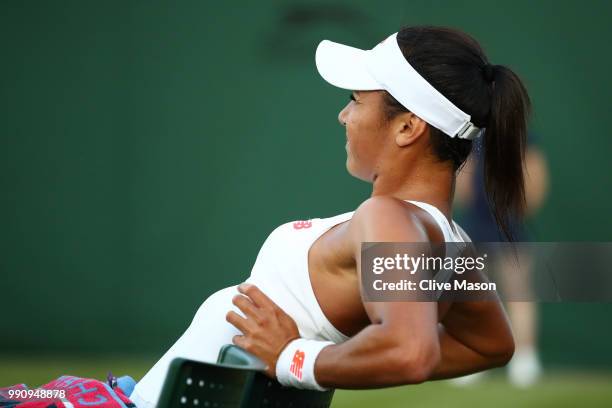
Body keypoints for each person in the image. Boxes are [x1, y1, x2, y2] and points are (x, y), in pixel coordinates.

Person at [129, 25, 531, 407]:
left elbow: (412, 351)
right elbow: (489, 345)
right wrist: (315, 357)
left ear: (408, 126)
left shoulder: (388, 217)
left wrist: (294, 359)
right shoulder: (448, 242)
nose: (343, 115)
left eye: (355, 99)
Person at [453, 133, 549, 387]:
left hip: (509, 224)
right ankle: (473, 359)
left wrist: (516, 211)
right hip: (478, 224)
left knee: (518, 294)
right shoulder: (475, 137)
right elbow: (464, 182)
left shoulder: (522, 137)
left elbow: (535, 180)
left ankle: (525, 361)